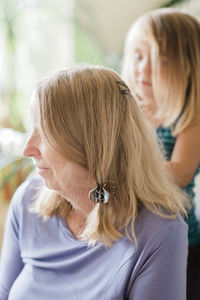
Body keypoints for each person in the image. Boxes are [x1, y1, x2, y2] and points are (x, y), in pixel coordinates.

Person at [0, 64, 188, 300]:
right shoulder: (27, 201)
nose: (27, 149)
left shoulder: (158, 232)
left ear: (91, 144)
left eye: (44, 131)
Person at [122, 8, 200, 300]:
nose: (143, 69)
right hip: (128, 233)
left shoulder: (189, 118)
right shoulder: (129, 112)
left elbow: (180, 172)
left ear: (188, 68)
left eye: (160, 62)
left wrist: (128, 170)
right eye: (138, 57)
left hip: (179, 242)